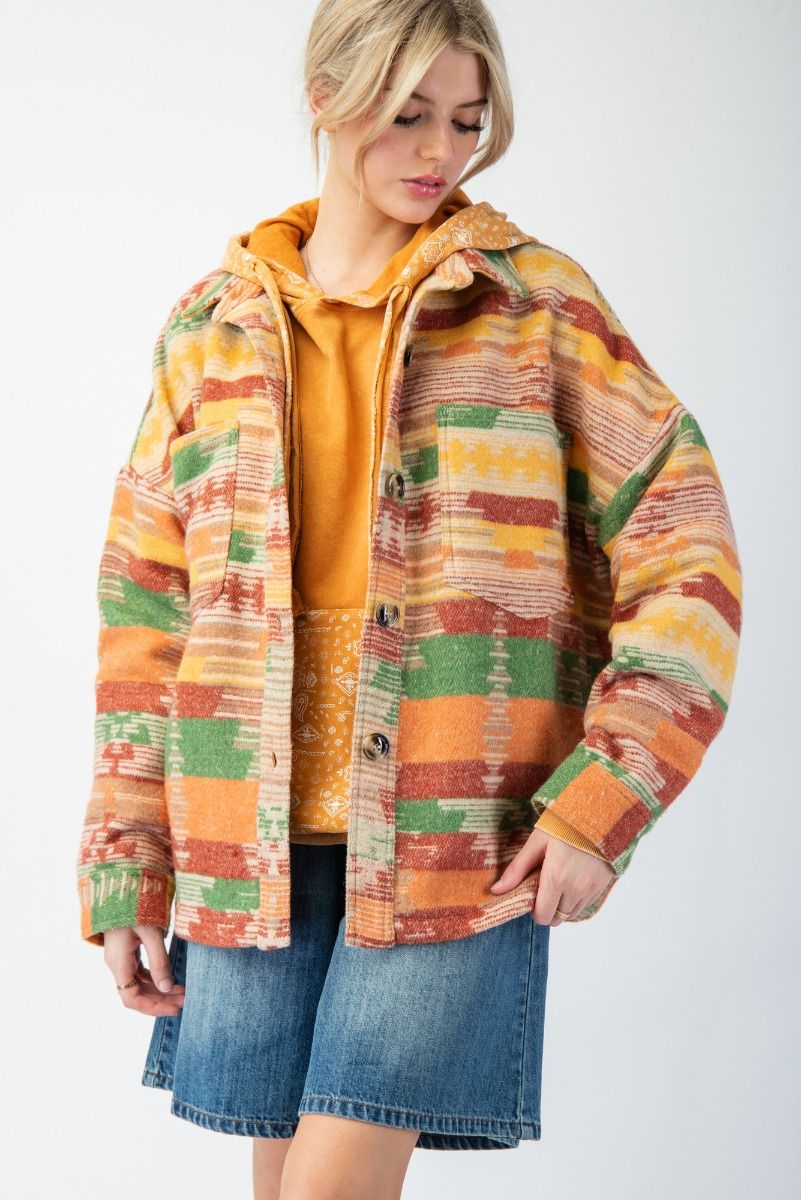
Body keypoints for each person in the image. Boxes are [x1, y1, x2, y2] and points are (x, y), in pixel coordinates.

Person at [75, 2, 743, 1197]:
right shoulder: (208, 330)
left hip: (455, 837)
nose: (442, 150)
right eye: (409, 115)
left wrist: (609, 795)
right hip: (248, 839)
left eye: (469, 121)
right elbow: (146, 615)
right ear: (328, 99)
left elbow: (684, 542)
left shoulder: (536, 307)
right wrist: (127, 859)